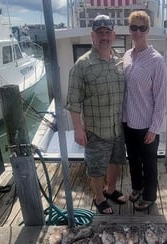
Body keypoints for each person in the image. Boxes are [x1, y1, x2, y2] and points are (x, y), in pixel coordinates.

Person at [66, 14, 126, 214]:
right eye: (99, 33)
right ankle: (99, 197)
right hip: (96, 129)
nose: (104, 37)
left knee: (115, 160)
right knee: (96, 167)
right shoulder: (82, 65)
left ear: (114, 35)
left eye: (107, 33)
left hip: (117, 126)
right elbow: (73, 101)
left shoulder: (120, 60)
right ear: (92, 36)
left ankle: (110, 190)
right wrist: (78, 129)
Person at [123, 11, 167, 211]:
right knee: (132, 158)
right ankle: (137, 187)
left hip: (146, 123)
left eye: (142, 28)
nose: (138, 32)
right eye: (134, 27)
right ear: (130, 30)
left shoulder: (157, 60)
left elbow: (161, 98)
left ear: (148, 30)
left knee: (149, 163)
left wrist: (154, 128)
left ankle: (149, 195)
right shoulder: (127, 56)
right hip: (127, 120)